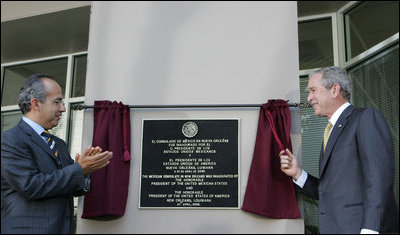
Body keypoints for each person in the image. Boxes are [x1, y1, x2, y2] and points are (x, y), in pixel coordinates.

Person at [279, 66, 399, 233]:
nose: (309, 97)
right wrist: (298, 173)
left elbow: (379, 179)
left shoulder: (366, 118)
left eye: (313, 90)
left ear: (335, 90)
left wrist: (371, 229)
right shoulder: (332, 130)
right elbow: (330, 193)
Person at [1, 74, 113, 234]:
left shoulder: (58, 143)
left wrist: (85, 171)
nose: (63, 108)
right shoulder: (10, 140)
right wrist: (78, 169)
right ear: (35, 104)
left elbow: (66, 186)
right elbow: (31, 186)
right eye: (57, 101)